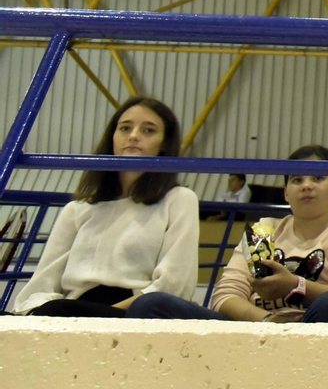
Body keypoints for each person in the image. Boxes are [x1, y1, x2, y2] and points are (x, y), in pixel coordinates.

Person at [129, 146, 328, 323]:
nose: (307, 185)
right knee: (151, 305)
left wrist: (296, 285)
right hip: (254, 329)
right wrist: (268, 322)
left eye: (318, 177)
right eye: (297, 179)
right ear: (286, 193)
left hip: (314, 329)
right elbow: (225, 295)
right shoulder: (263, 229)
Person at [12, 98, 199, 318]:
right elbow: (42, 284)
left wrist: (98, 315)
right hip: (69, 310)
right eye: (125, 128)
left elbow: (173, 285)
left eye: (148, 130)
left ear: (164, 144)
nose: (133, 136)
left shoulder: (179, 200)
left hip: (135, 312)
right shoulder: (78, 208)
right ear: (112, 136)